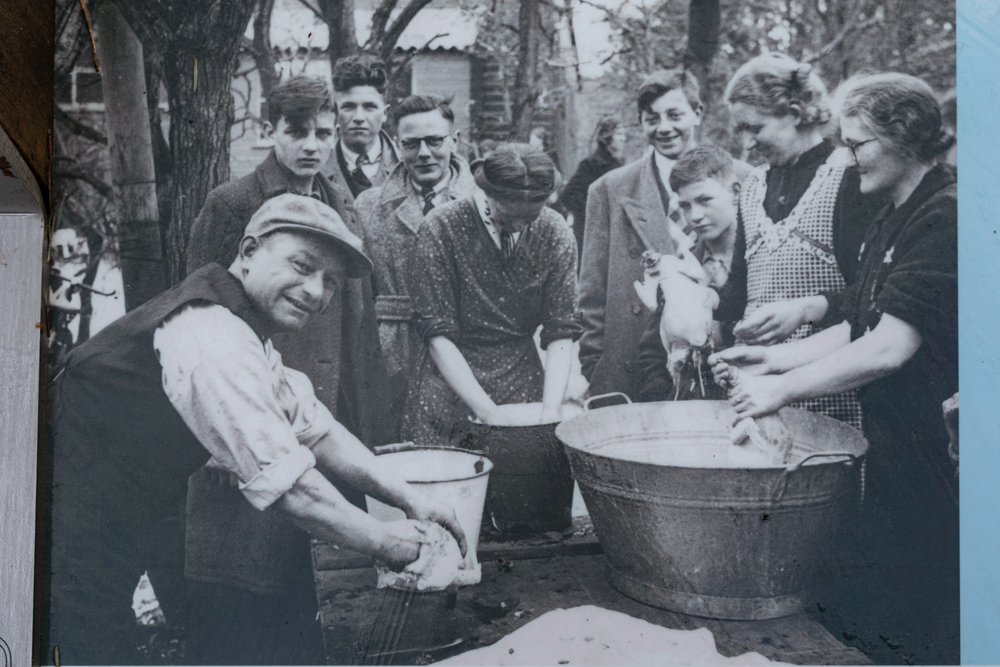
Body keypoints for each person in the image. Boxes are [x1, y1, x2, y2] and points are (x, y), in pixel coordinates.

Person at [44, 195, 466, 666]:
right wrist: (400, 548)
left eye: (330, 282)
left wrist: (411, 496)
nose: (315, 292)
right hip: (48, 527)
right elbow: (293, 490)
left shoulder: (241, 327)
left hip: (103, 523)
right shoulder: (210, 333)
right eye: (303, 266)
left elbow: (316, 429)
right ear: (248, 251)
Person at [711, 72, 958, 665]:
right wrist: (774, 358)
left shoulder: (944, 216)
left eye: (858, 144)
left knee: (932, 612)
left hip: (938, 448)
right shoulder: (892, 213)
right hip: (892, 443)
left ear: (905, 138)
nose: (847, 158)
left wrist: (779, 391)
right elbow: (859, 319)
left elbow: (888, 348)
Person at [183, 76, 383, 663]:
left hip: (323, 406)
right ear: (272, 130)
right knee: (250, 575)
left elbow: (353, 320)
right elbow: (201, 307)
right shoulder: (234, 203)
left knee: (325, 570)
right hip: (248, 410)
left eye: (324, 133)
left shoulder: (340, 200)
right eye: (297, 132)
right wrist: (215, 442)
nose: (312, 146)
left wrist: (361, 412)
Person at [719, 53, 886, 429]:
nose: (746, 144)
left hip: (834, 385)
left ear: (795, 112)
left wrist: (810, 308)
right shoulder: (753, 186)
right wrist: (703, 298)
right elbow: (740, 288)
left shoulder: (849, 176)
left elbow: (872, 296)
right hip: (760, 389)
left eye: (755, 128)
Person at [403, 143, 581, 446]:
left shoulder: (555, 231)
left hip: (523, 383)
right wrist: (488, 413)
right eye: (507, 215)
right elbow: (437, 335)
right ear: (487, 193)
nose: (518, 227)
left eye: (530, 218)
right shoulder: (441, 228)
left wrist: (550, 411)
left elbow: (561, 328)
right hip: (450, 387)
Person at [354, 94, 476, 445]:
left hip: (464, 348)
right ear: (397, 145)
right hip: (393, 352)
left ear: (455, 139)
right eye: (411, 144)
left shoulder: (481, 202)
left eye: (435, 141)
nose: (423, 153)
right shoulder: (369, 206)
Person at [578, 68, 704, 400]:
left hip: (711, 365)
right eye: (652, 118)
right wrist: (597, 367)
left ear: (698, 113)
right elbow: (592, 293)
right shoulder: (609, 189)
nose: (664, 128)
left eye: (675, 115)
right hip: (635, 368)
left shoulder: (742, 180)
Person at [636, 145, 743, 402]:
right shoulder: (679, 268)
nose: (695, 216)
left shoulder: (760, 259)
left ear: (734, 192)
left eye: (705, 200)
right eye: (685, 206)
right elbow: (651, 353)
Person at [322, 54, 399, 201]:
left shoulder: (406, 165)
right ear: (334, 111)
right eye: (348, 107)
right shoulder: (318, 166)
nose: (358, 118)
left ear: (385, 113)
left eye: (369, 107)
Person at [558, 117, 626, 258]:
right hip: (590, 234)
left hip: (612, 233)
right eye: (619, 134)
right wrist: (598, 210)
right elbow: (568, 195)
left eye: (624, 134)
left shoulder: (619, 165)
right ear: (606, 138)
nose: (623, 138)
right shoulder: (590, 165)